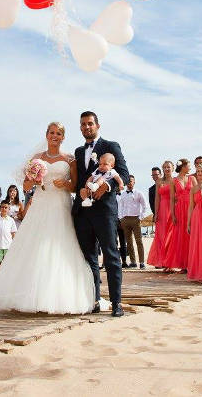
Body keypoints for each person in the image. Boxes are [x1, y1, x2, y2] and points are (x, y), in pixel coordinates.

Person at [0, 121, 95, 314]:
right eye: (52, 132)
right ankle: (26, 295)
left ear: (63, 137)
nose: (55, 136)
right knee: (33, 245)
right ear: (46, 135)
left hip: (60, 204)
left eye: (59, 133)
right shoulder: (37, 158)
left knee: (58, 244)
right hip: (40, 203)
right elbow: (26, 188)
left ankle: (55, 296)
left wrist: (65, 183)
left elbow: (75, 187)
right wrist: (33, 180)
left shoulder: (70, 159)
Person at [73, 111, 129, 317]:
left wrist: (106, 184)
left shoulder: (111, 146)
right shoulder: (79, 151)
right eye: (83, 124)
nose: (86, 127)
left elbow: (122, 174)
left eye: (90, 124)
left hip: (105, 211)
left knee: (111, 255)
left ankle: (117, 303)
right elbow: (79, 178)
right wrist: (79, 189)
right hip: (82, 211)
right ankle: (94, 299)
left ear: (97, 125)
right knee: (88, 259)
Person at [168, 159, 195, 273]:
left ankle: (192, 263)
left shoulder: (192, 178)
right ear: (183, 167)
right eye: (188, 166)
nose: (190, 168)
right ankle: (184, 265)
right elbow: (172, 199)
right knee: (181, 237)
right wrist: (173, 214)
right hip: (179, 210)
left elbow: (197, 192)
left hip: (191, 209)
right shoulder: (173, 180)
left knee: (191, 236)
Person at [147, 161, 175, 270]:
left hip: (173, 209)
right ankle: (163, 261)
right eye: (165, 167)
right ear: (163, 169)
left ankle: (171, 263)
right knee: (161, 237)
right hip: (162, 210)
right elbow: (157, 199)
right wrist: (156, 213)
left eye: (169, 167)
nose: (167, 169)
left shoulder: (175, 180)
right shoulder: (159, 181)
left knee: (172, 237)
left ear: (172, 168)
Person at [118, 175, 146, 268]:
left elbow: (144, 205)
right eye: (128, 181)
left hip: (136, 219)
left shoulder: (139, 193)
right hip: (125, 220)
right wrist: (121, 218)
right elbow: (121, 206)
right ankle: (133, 262)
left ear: (134, 182)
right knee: (129, 242)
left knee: (139, 241)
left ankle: (142, 262)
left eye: (131, 181)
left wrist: (140, 217)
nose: (129, 183)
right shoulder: (123, 194)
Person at [0, 200, 17, 275]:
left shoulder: (11, 220)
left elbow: (13, 233)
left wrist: (14, 246)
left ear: (9, 209)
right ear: (0, 208)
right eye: (2, 207)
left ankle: (7, 279)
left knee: (8, 264)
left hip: (8, 246)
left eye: (6, 207)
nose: (4, 209)